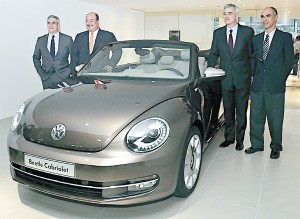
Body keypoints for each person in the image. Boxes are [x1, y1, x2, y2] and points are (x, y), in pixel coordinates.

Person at [245, 7, 294, 159]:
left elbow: (289, 62)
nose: (264, 19)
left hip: (275, 84)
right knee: (256, 117)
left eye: (268, 16)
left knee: (275, 118)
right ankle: (256, 144)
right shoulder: (256, 39)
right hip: (258, 84)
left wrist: (280, 78)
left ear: (276, 17)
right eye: (262, 16)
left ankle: (276, 146)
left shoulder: (285, 37)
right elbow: (253, 60)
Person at [208, 4, 254, 151]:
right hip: (225, 78)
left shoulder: (247, 32)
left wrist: (251, 74)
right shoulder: (218, 33)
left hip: (243, 78)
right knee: (228, 109)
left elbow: (251, 55)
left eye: (230, 13)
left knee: (241, 111)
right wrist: (210, 69)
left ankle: (240, 140)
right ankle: (229, 138)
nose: (226, 16)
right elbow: (213, 53)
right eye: (225, 13)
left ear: (236, 15)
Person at [33, 15, 76, 89]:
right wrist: (40, 71)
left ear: (58, 25)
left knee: (64, 99)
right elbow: (36, 57)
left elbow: (74, 56)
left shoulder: (67, 39)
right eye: (48, 23)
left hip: (64, 77)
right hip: (46, 78)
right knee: (48, 99)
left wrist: (70, 72)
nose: (50, 25)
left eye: (53, 23)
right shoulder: (41, 40)